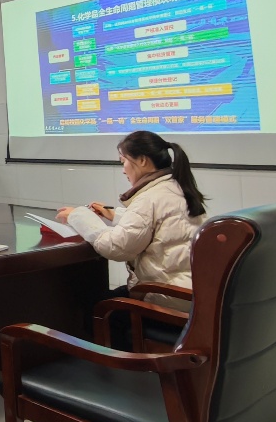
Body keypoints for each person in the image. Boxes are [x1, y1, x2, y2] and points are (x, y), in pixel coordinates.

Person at [56, 129, 208, 320]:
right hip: (189, 293)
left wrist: (78, 216)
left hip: (166, 300)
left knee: (91, 307)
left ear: (142, 160)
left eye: (124, 161)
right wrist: (114, 215)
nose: (123, 169)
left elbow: (116, 247)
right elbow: (157, 226)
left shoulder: (148, 198)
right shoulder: (175, 188)